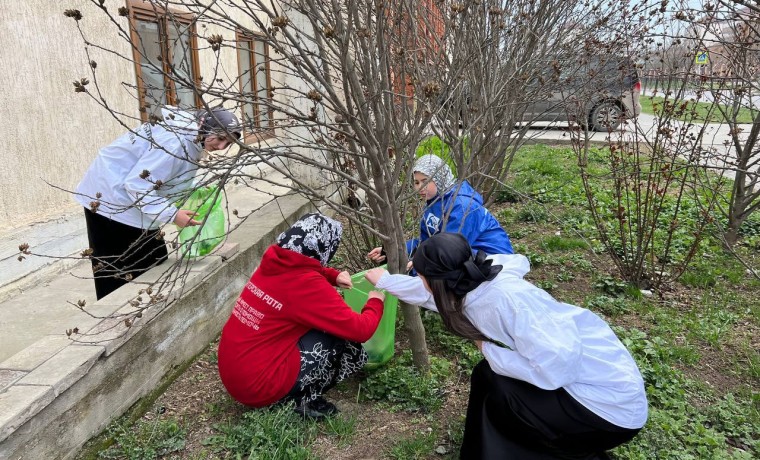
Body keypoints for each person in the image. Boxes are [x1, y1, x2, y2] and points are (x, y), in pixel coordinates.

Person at [365, 233, 647, 459]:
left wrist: (488, 349)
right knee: (488, 376)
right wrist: (387, 281)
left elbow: (558, 368)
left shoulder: (506, 301)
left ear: (439, 281)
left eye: (423, 276)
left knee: (501, 389)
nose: (421, 281)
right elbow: (430, 296)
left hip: (608, 410)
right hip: (593, 386)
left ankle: (562, 450)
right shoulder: (471, 280)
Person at [217, 213, 385, 419]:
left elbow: (298, 268)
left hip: (238, 376)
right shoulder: (306, 285)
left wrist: (332, 275)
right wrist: (376, 301)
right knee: (338, 335)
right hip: (259, 388)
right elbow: (360, 330)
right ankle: (300, 399)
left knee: (320, 323)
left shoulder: (273, 263)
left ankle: (288, 387)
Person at [75, 106, 242, 299]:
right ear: (205, 126)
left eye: (228, 143)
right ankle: (116, 323)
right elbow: (137, 184)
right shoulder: (176, 142)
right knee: (118, 275)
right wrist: (172, 215)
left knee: (152, 260)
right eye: (220, 138)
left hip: (119, 195)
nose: (221, 147)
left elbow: (163, 172)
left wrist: (192, 187)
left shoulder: (189, 134)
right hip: (110, 202)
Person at [367, 154, 512, 268]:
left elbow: (451, 250)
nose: (420, 187)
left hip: (494, 260)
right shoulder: (435, 201)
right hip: (466, 255)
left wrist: (419, 265)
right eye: (416, 182)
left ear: (439, 178)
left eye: (426, 181)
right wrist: (393, 252)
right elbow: (427, 241)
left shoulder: (462, 206)